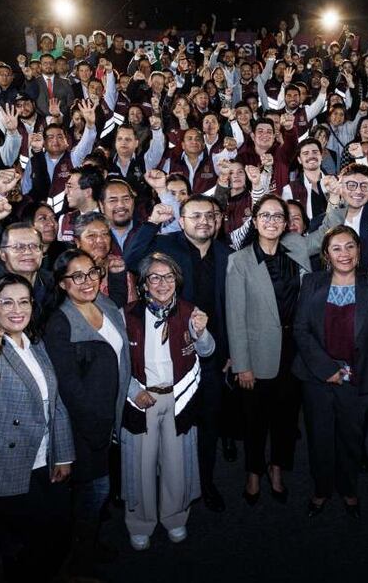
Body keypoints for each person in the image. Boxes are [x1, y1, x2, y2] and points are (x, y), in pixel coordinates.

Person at [226, 193, 343, 506]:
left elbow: (329, 229)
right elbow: (235, 317)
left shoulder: (296, 246)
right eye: (265, 216)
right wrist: (242, 365)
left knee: (286, 418)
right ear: (254, 221)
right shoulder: (239, 261)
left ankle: (277, 468)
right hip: (256, 354)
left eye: (278, 216)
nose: (272, 221)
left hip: (295, 351)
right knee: (254, 419)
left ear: (285, 222)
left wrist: (335, 200)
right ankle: (253, 472)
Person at [0, 274, 75, 582]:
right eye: (7, 302)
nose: (17, 309)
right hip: (4, 463)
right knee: (37, 540)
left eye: (24, 301)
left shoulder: (35, 343)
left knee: (53, 534)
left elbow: (54, 402)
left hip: (44, 459)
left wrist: (63, 454)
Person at [123, 194, 232, 512]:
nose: (203, 221)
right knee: (169, 428)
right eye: (195, 216)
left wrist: (231, 352)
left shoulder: (227, 254)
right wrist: (151, 224)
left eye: (209, 215)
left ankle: (205, 483)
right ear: (181, 221)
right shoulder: (165, 245)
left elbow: (232, 308)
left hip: (210, 354)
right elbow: (132, 259)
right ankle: (165, 491)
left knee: (208, 424)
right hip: (169, 356)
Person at [293, 226, 368, 517]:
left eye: (350, 246)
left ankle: (349, 489)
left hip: (358, 375)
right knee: (320, 436)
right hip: (317, 376)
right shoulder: (312, 282)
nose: (344, 253)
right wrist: (326, 369)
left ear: (359, 250)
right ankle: (321, 489)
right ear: (326, 255)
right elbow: (301, 329)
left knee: (352, 438)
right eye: (336, 248)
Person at [121, 253, 215, 550]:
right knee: (140, 465)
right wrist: (132, 391)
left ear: (177, 280)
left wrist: (201, 332)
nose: (163, 283)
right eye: (155, 278)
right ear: (144, 284)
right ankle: (140, 523)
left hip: (178, 397)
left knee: (177, 463)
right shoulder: (127, 314)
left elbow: (208, 351)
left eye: (169, 277)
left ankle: (175, 517)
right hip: (142, 398)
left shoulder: (189, 311)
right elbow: (117, 362)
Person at [44, 249, 128, 573]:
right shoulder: (60, 323)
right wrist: (95, 428)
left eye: (92, 272)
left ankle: (88, 545)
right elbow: (68, 388)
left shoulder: (104, 304)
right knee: (92, 492)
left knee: (97, 492)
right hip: (83, 428)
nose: (87, 281)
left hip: (106, 419)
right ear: (62, 284)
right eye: (76, 276)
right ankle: (80, 558)